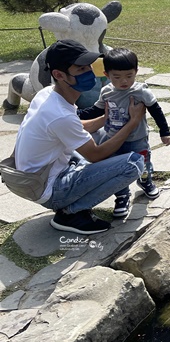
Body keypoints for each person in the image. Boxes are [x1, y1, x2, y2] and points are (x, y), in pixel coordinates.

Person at [13, 39, 147, 234]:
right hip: (48, 189)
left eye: (88, 67)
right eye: (80, 70)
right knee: (134, 163)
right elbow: (96, 154)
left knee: (101, 134)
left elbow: (75, 126)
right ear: (59, 74)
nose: (89, 73)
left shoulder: (48, 94)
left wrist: (105, 118)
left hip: (40, 175)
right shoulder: (59, 114)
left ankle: (73, 203)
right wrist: (132, 123)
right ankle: (70, 213)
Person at [78, 48, 170, 218]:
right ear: (107, 74)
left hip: (137, 139)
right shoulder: (106, 92)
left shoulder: (141, 92)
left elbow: (156, 111)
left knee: (144, 164)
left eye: (129, 76)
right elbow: (96, 110)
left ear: (136, 72)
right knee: (117, 169)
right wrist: (75, 114)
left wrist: (164, 132)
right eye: (117, 77)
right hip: (112, 140)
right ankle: (122, 196)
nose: (124, 81)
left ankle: (146, 181)